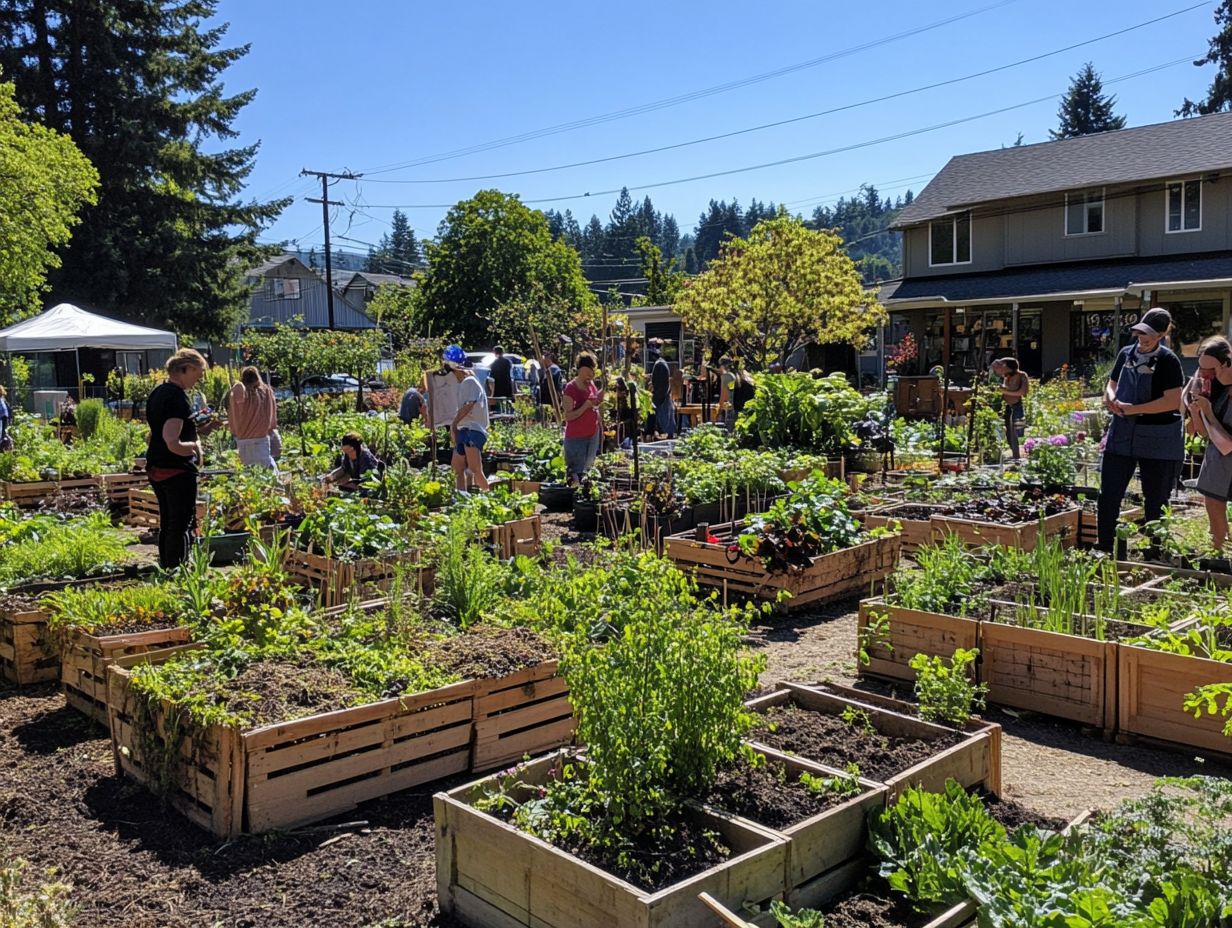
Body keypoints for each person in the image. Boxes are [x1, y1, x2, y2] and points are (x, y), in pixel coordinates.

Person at [1096, 308, 1185, 552]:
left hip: (1157, 438)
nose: (1142, 339)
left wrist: (1135, 409)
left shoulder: (1168, 361)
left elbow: (1171, 401)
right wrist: (1111, 398)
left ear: (1161, 335)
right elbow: (1112, 383)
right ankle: (1104, 545)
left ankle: (1155, 548)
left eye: (1148, 336)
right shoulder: (1126, 354)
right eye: (1140, 334)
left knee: (1155, 497)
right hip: (1122, 433)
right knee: (1109, 493)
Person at [146, 348, 211, 569]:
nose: (200, 377)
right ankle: (178, 569)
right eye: (199, 372)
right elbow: (172, 442)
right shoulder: (177, 398)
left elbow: (152, 435)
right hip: (176, 471)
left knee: (168, 522)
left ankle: (167, 567)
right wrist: (195, 448)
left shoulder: (158, 393)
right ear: (187, 368)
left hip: (157, 466)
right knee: (181, 524)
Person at [1183, 336, 1232, 551]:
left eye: (1210, 369)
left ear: (1227, 362)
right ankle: (1219, 553)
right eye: (1201, 369)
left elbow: (1228, 442)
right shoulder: (1216, 388)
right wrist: (1196, 413)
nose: (1204, 375)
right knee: (1213, 503)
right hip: (1217, 462)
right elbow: (1204, 433)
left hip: (1226, 457)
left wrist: (1208, 412)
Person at [442, 344, 490, 491]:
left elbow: (468, 405)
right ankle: (460, 498)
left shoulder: (469, 381)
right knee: (457, 468)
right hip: (466, 429)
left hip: (472, 430)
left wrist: (454, 424)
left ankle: (490, 497)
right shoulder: (467, 381)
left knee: (475, 469)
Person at [562, 354, 604, 484]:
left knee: (588, 470)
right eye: (588, 371)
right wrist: (585, 406)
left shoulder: (591, 385)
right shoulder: (570, 388)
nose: (591, 375)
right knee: (576, 472)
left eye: (593, 372)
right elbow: (568, 416)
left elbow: (596, 401)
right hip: (576, 437)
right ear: (580, 370)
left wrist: (605, 386)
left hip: (592, 434)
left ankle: (585, 495)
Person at [228, 366, 278, 470]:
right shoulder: (265, 391)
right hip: (261, 438)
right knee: (265, 471)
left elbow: (233, 412)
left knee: (249, 471)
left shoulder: (240, 391)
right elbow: (272, 419)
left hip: (243, 439)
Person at [991, 358, 1029, 461]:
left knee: (1016, 431)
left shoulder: (1022, 375)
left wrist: (1005, 391)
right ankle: (1014, 454)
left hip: (1017, 405)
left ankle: (1018, 455)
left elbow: (1022, 392)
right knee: (1008, 431)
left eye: (1003, 366)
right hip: (1007, 406)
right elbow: (994, 373)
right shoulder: (1006, 377)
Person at [650, 340, 675, 439]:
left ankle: (666, 432)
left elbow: (662, 382)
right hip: (663, 392)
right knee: (667, 414)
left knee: (663, 414)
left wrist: (658, 395)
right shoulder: (661, 363)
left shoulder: (659, 364)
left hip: (661, 393)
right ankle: (668, 432)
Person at [718, 358, 737, 428]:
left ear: (722, 366)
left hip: (727, 408)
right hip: (733, 406)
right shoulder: (732, 375)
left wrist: (719, 409)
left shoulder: (725, 377)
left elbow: (724, 394)